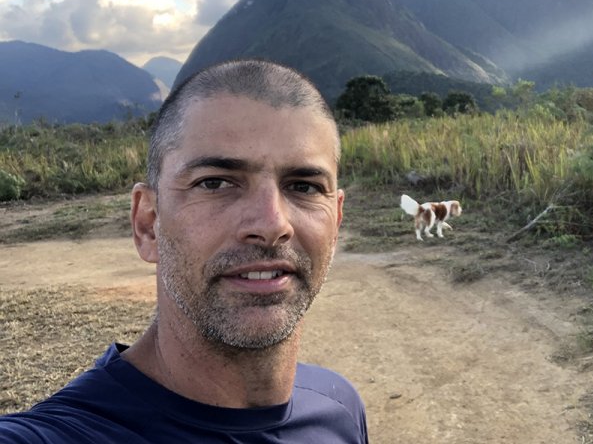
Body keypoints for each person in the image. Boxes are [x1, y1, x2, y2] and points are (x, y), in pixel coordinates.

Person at [0, 59, 369, 443]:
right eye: (215, 183)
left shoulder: (339, 409)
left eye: (304, 186)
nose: (272, 224)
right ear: (148, 223)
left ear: (337, 220)